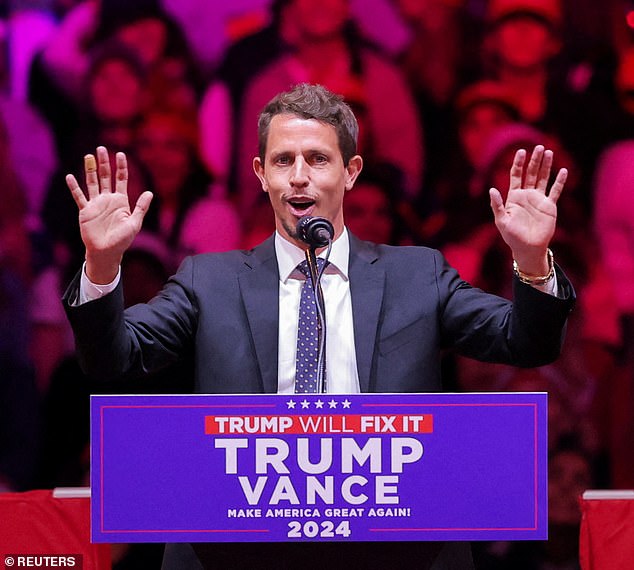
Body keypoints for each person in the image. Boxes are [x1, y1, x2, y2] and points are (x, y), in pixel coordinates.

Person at [62, 83, 574, 570]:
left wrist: (531, 262)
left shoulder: (417, 275)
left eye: (318, 159)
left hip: (396, 555)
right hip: (240, 555)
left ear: (351, 171)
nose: (299, 176)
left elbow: (525, 342)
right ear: (261, 173)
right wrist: (103, 267)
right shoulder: (208, 281)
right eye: (284, 160)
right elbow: (113, 359)